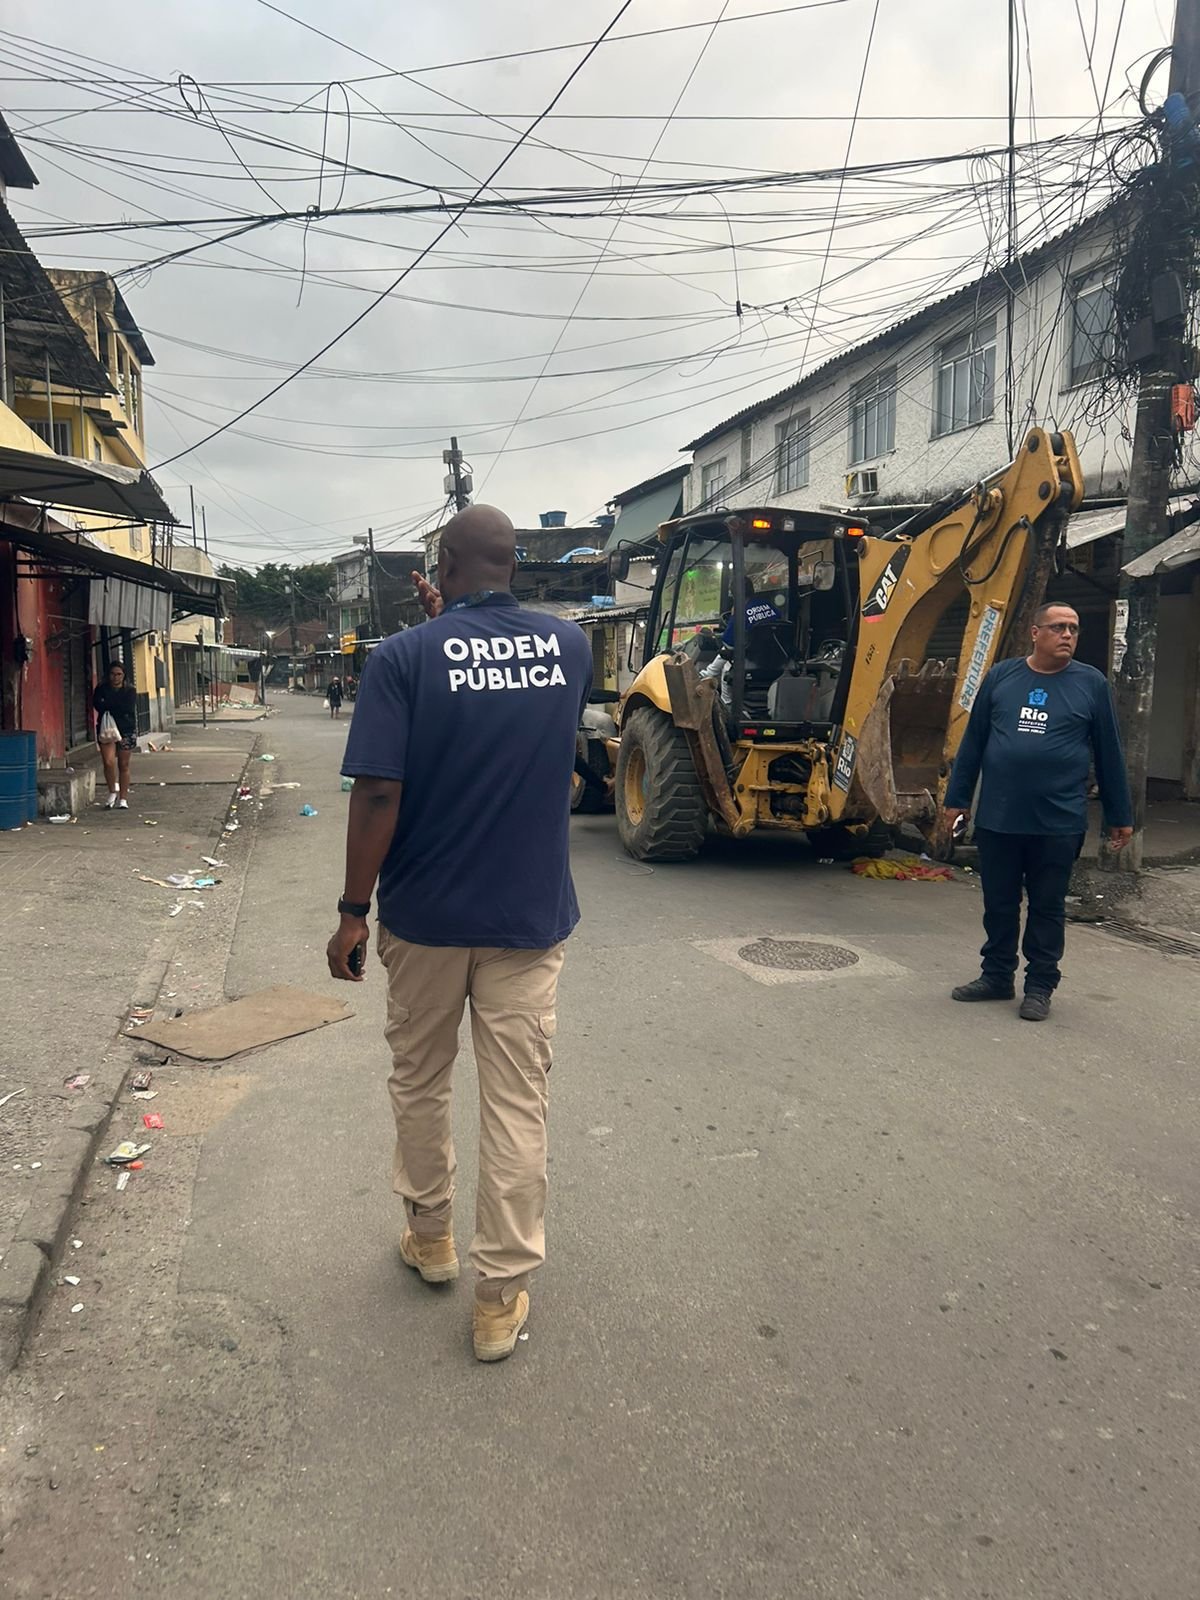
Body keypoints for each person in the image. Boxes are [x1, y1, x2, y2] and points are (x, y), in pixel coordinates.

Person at [327, 505, 592, 1362]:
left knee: (421, 1080)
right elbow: (499, 698)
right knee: (518, 1103)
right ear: (516, 565)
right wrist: (458, 626)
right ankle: (500, 1296)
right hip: (526, 919)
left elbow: (376, 794)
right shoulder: (574, 650)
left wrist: (351, 911)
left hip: (428, 919)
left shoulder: (401, 660)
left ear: (442, 566)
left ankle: (431, 1237)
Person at [944, 602, 1133, 1021]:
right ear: (1035, 633)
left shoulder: (1091, 684)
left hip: (1058, 820)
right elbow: (973, 743)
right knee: (999, 903)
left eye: (1074, 628)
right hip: (999, 816)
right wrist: (955, 801)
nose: (1067, 635)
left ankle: (1040, 985)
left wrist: (1121, 815)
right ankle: (995, 976)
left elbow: (1109, 753)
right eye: (1058, 627)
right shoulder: (1002, 678)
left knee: (1047, 906)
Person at [93, 660, 138, 810]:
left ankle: (123, 798)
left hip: (126, 729)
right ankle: (112, 791)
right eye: (112, 674)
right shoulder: (101, 689)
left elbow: (127, 707)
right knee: (108, 762)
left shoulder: (130, 691)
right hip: (107, 729)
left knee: (123, 764)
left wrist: (109, 704)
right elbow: (97, 705)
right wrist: (112, 704)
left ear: (124, 676)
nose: (115, 677)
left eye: (119, 674)